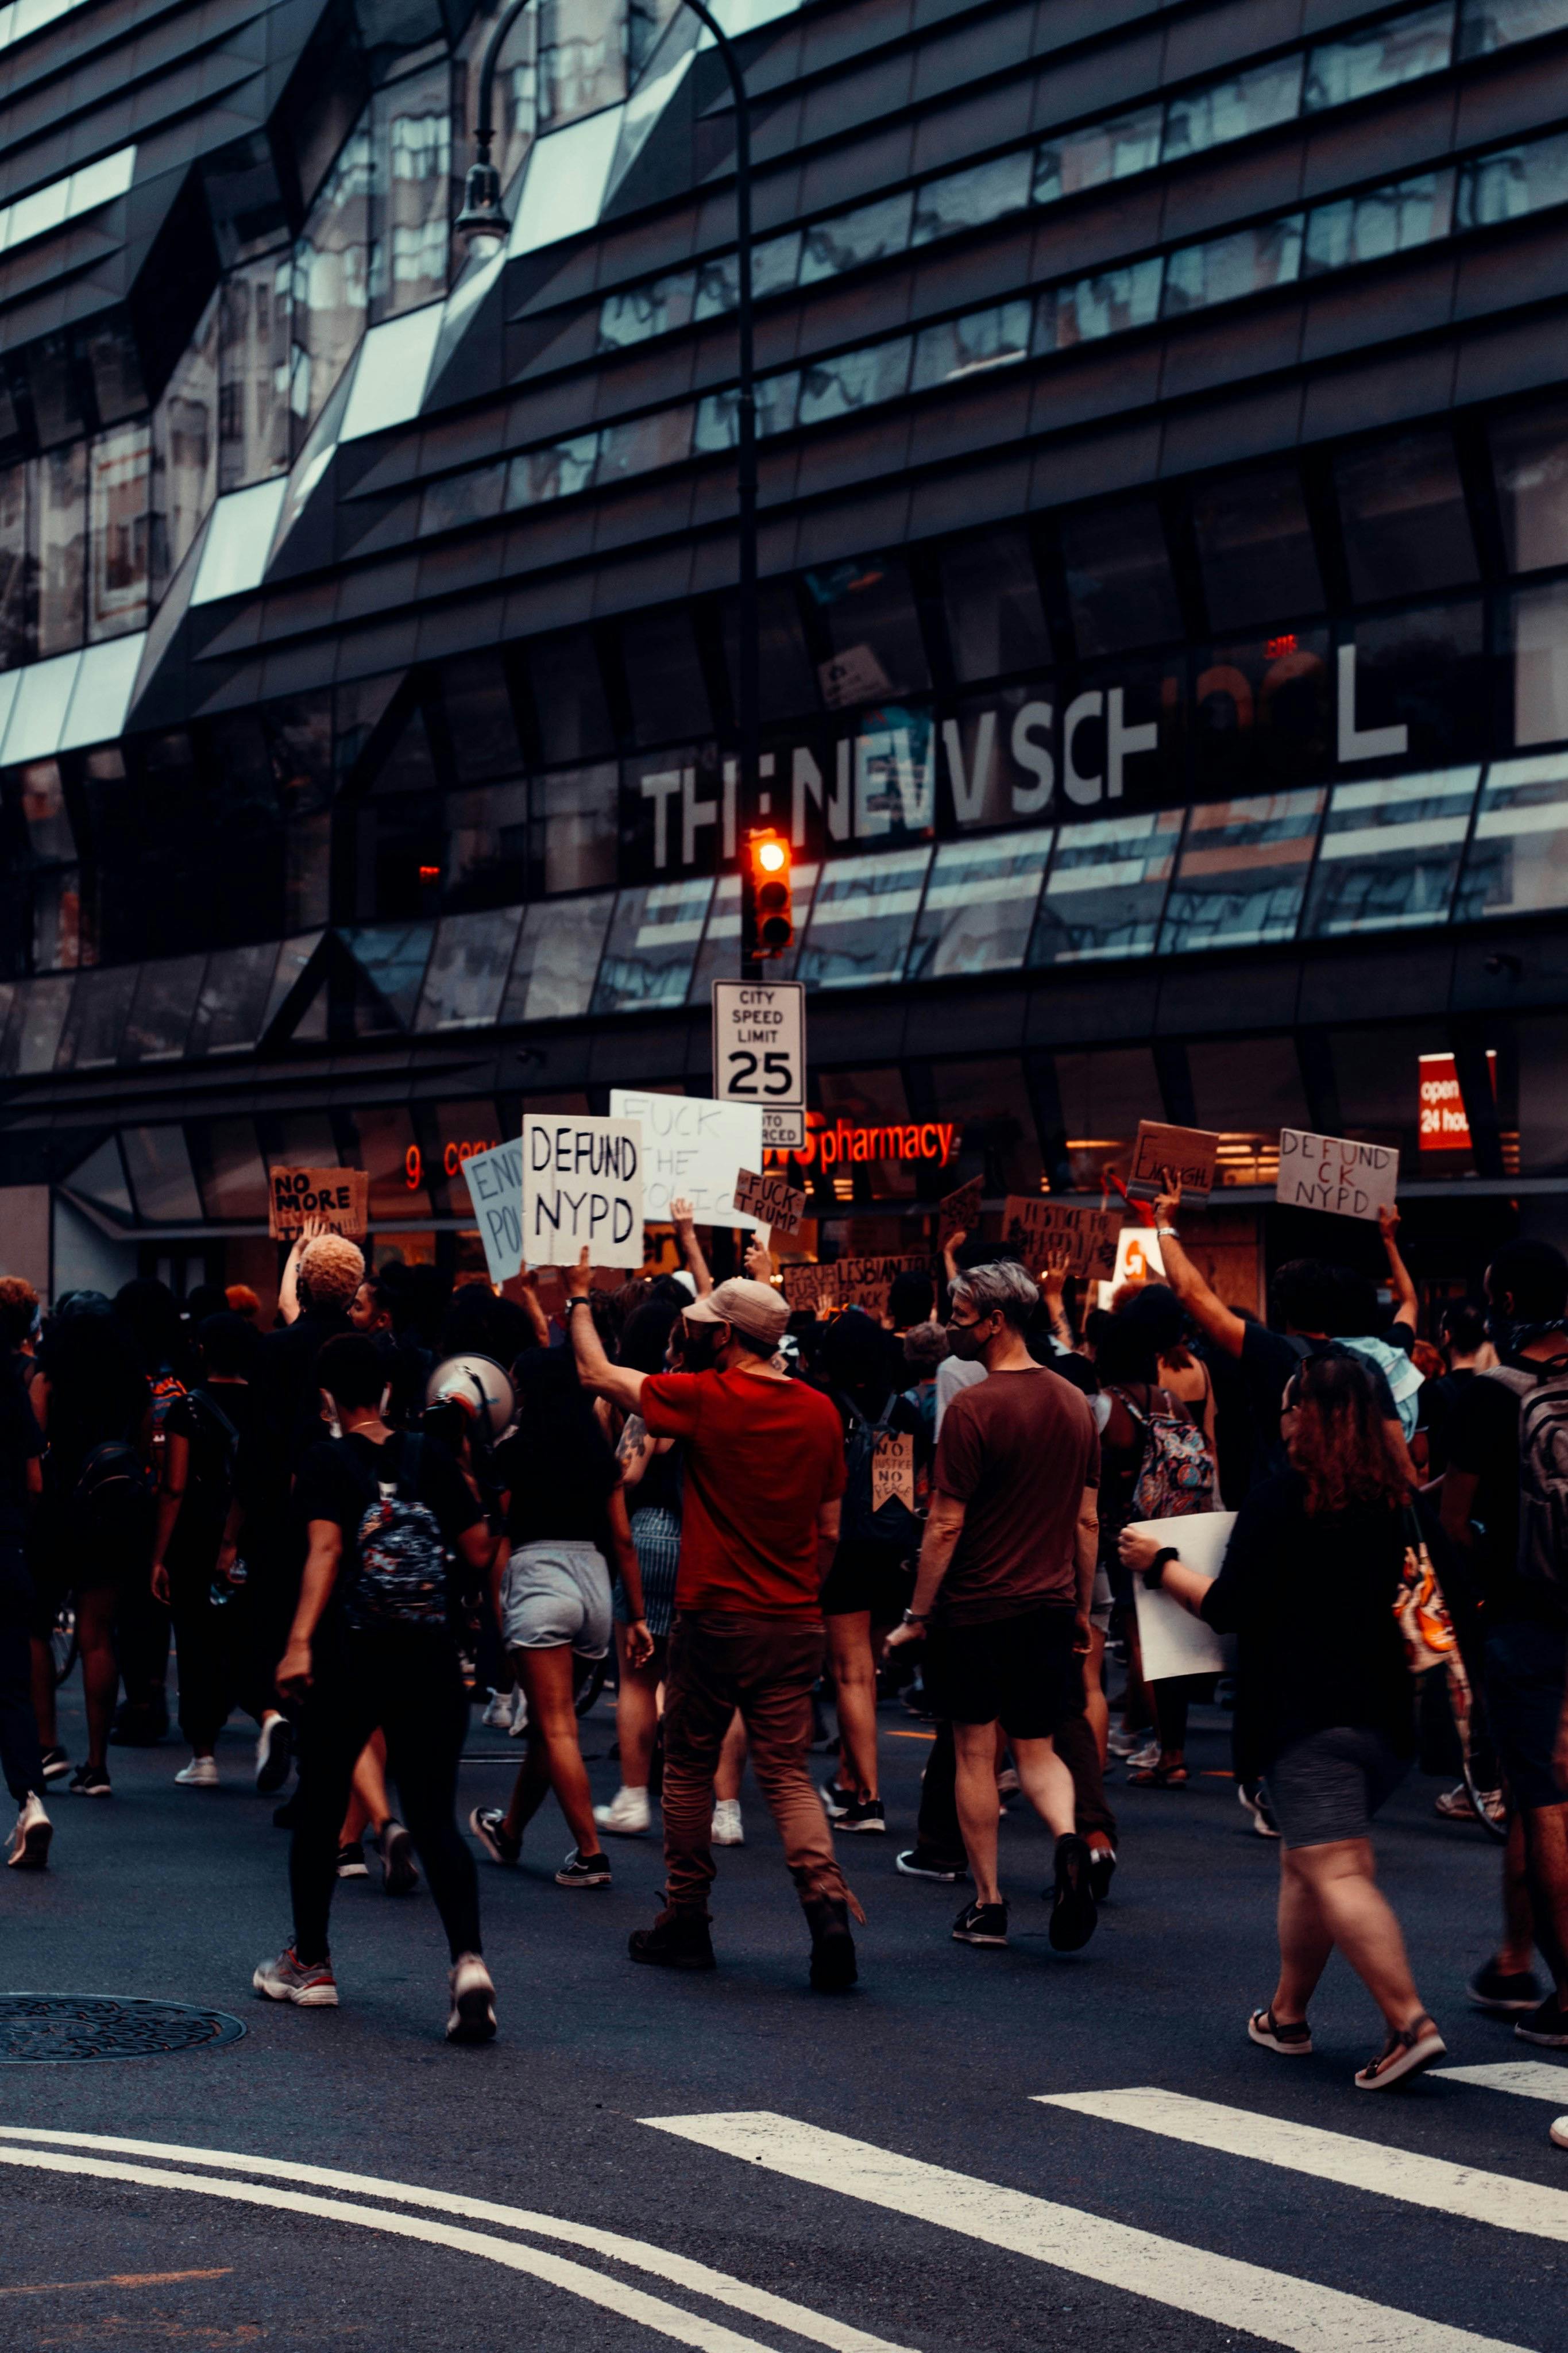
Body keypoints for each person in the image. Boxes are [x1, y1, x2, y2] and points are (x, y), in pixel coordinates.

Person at [1123, 1352, 1444, 2090]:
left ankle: (1410, 2023)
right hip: (1389, 1714)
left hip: (1308, 1716)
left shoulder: (1283, 1498)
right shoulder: (1397, 1499)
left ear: (1305, 1415)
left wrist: (1160, 1561)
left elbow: (1233, 1605)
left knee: (1336, 1868)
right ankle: (1287, 2013)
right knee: (1309, 1862)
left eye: (1288, 1406)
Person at [565, 1252, 859, 1991]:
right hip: (793, 1618)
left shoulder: (706, 1396)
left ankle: (687, 1919)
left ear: (725, 1336)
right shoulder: (822, 1411)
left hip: (715, 1612)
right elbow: (828, 1533)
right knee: (788, 1771)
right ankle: (824, 1904)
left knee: (689, 1765)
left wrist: (576, 1296)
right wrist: (801, 1591)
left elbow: (600, 1375)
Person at [253, 1333, 497, 2039]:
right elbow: (480, 1549)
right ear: (389, 1392)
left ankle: (312, 1962)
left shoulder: (326, 1459)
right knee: (435, 1817)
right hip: (429, 1657)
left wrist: (298, 1641)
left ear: (328, 1396)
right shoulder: (432, 1455)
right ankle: (468, 1964)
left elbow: (327, 1549)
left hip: (348, 1657)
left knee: (324, 1804)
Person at [885, 1259, 1101, 1954]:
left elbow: (945, 1524)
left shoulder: (974, 1408)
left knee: (976, 1752)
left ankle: (988, 1902)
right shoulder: (1074, 1402)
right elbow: (1087, 1521)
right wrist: (1077, 1602)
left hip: (976, 1606)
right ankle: (1070, 1843)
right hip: (1047, 1601)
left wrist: (917, 1614)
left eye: (961, 1314)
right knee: (1037, 1748)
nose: (952, 1326)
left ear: (997, 1321)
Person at [1440, 1239, 1568, 2053]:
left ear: (1506, 1304)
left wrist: (1470, 1609)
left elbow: (1454, 1521)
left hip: (1526, 1615)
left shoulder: (1485, 1396)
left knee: (1544, 1797)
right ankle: (1514, 1957)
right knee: (1539, 1792)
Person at [468, 1344, 650, 1885]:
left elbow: (492, 1534)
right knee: (553, 1729)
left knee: (557, 1729)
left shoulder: (515, 1452)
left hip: (540, 1580)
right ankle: (511, 1831)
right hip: (593, 1585)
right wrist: (635, 1616)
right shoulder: (599, 1455)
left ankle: (591, 1855)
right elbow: (622, 1539)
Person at [150, 1313, 289, 1790]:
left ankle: (204, 1756)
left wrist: (158, 1556)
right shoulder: (267, 1404)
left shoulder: (187, 1408)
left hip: (198, 1536)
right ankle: (269, 1713)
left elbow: (174, 1486)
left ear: (204, 1350)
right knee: (251, 1634)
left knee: (197, 1641)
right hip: (258, 1533)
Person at [30, 1298, 152, 1797]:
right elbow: (143, 1456)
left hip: (57, 1511)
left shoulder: (47, 1378)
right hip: (112, 1512)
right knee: (99, 1635)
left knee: (35, 1627)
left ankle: (47, 1745)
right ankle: (97, 1765)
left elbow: (33, 1448)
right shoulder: (132, 1384)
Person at [817, 1309, 927, 1836]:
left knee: (850, 1675)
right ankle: (847, 1779)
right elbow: (897, 1491)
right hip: (889, 1552)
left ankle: (868, 1798)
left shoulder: (823, 1408)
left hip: (840, 1553)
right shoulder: (902, 1410)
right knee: (866, 1676)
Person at [594, 1297, 685, 1840]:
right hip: (705, 1541)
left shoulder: (654, 1401)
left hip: (649, 1534)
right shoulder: (720, 1399)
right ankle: (722, 1808)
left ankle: (633, 1796)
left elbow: (627, 1476)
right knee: (701, 1681)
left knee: (636, 1676)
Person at [0, 1278, 49, 1865]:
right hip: (7, 1545)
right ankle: (30, 1799)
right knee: (12, 1688)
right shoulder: (13, 1387)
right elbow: (37, 1480)